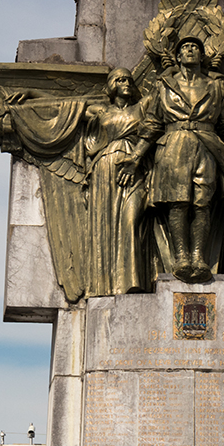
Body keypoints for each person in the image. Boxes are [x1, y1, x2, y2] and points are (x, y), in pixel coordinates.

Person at [117, 38, 224, 283]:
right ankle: (181, 257)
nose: (190, 50)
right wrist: (135, 157)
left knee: (202, 203)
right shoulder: (164, 85)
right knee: (177, 202)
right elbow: (152, 123)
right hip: (173, 145)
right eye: (185, 48)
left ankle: (199, 256)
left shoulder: (216, 86)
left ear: (202, 56)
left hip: (207, 145)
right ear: (178, 57)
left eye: (195, 47)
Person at [83, 68, 149, 295]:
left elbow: (164, 88)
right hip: (104, 168)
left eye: (129, 80)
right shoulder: (101, 111)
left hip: (133, 166)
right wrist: (31, 93)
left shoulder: (141, 108)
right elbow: (65, 108)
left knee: (131, 220)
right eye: (120, 80)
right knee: (105, 222)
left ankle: (132, 281)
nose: (126, 83)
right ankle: (106, 283)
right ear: (112, 86)